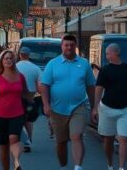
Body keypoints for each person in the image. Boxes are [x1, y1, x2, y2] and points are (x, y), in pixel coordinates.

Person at [40, 34, 96, 170]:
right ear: (62, 46)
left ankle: (78, 167)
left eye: (71, 45)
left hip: (79, 106)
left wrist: (94, 107)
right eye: (66, 45)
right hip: (57, 109)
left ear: (75, 46)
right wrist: (46, 105)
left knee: (76, 135)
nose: (69, 47)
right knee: (61, 141)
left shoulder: (84, 64)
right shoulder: (53, 64)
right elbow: (44, 86)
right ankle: (63, 166)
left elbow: (90, 86)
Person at [94, 43, 127, 170]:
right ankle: (110, 164)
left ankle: (121, 167)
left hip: (125, 109)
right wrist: (95, 107)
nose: (106, 56)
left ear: (115, 53)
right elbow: (99, 88)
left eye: (107, 53)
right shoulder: (105, 69)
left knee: (123, 138)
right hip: (107, 108)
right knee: (108, 139)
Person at [0, 50, 29, 170]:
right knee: (3, 146)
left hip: (17, 114)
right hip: (0, 115)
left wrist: (35, 100)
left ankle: (16, 163)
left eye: (11, 58)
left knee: (14, 138)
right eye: (6, 58)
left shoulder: (20, 77)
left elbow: (26, 93)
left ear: (14, 60)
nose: (9, 60)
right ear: (2, 61)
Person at [15, 46, 43, 153]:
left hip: (16, 97)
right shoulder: (35, 68)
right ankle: (29, 139)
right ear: (29, 55)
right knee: (29, 120)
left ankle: (21, 140)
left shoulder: (15, 67)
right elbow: (40, 86)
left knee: (17, 120)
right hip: (30, 98)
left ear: (20, 55)